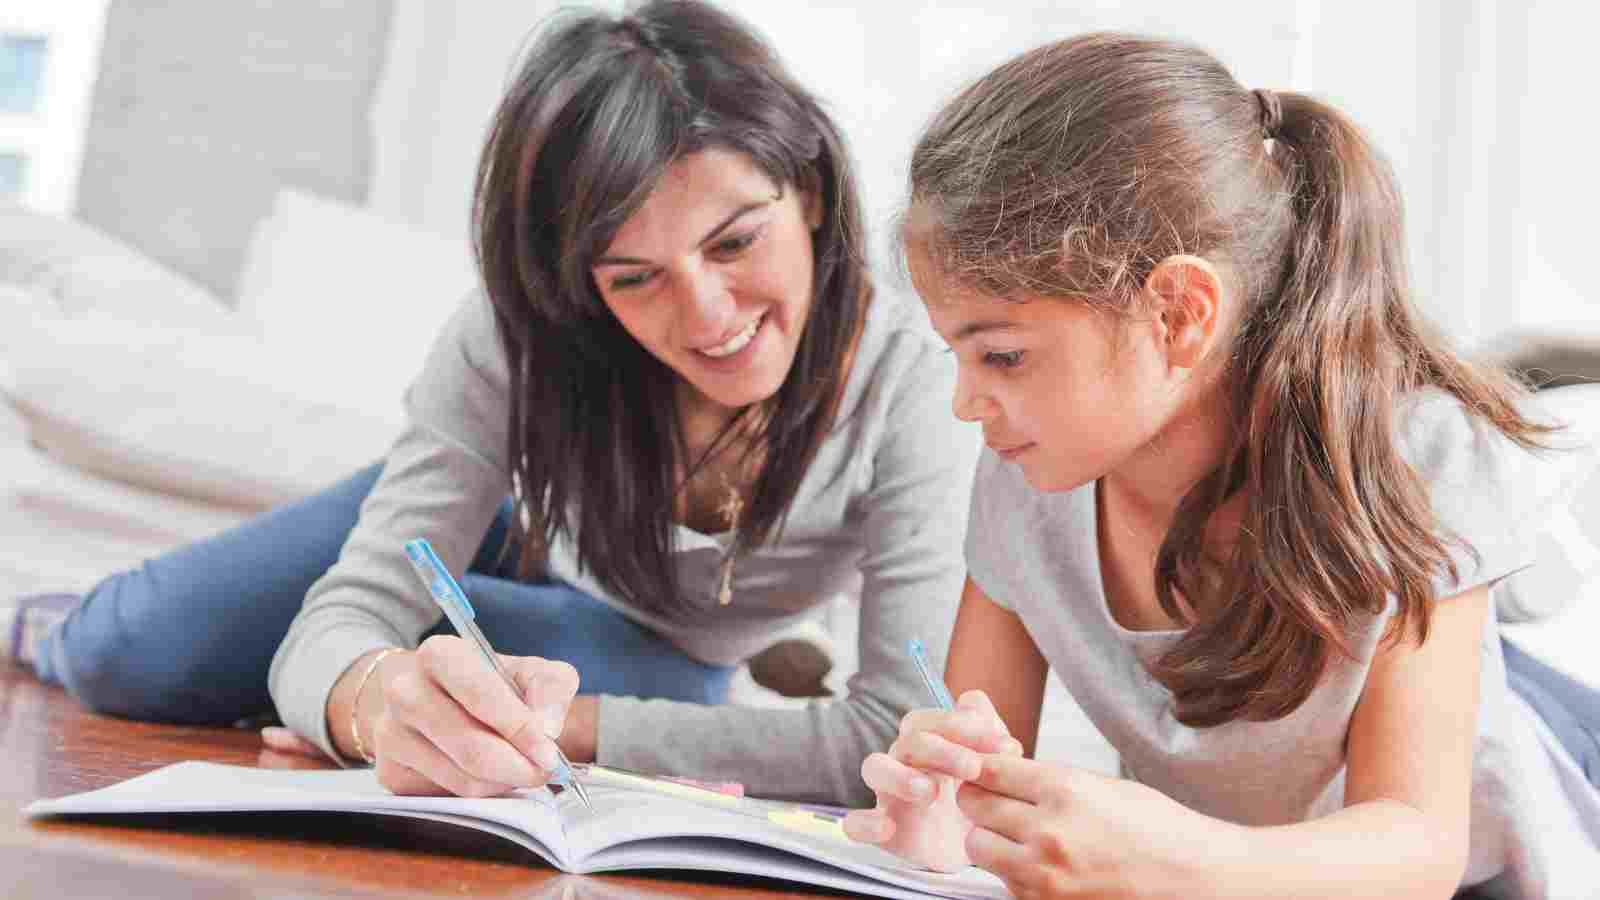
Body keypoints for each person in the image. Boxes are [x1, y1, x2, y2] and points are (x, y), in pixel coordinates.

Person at [2, 0, 978, 806]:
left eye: (733, 243)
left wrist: (541, 718)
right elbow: (350, 614)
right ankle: (45, 622)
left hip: (651, 643)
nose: (706, 314)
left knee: (592, 675)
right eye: (633, 278)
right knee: (132, 653)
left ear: (806, 190)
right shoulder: (523, 335)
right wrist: (376, 704)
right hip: (507, 522)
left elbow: (893, 734)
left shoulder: (914, 384)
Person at [841, 32, 1600, 899]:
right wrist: (931, 819)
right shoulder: (1024, 475)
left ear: (1178, 313)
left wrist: (1167, 861)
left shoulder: (1419, 459)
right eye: (958, 357)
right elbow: (968, 788)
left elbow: (1419, 849)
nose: (965, 404)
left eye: (1003, 356)